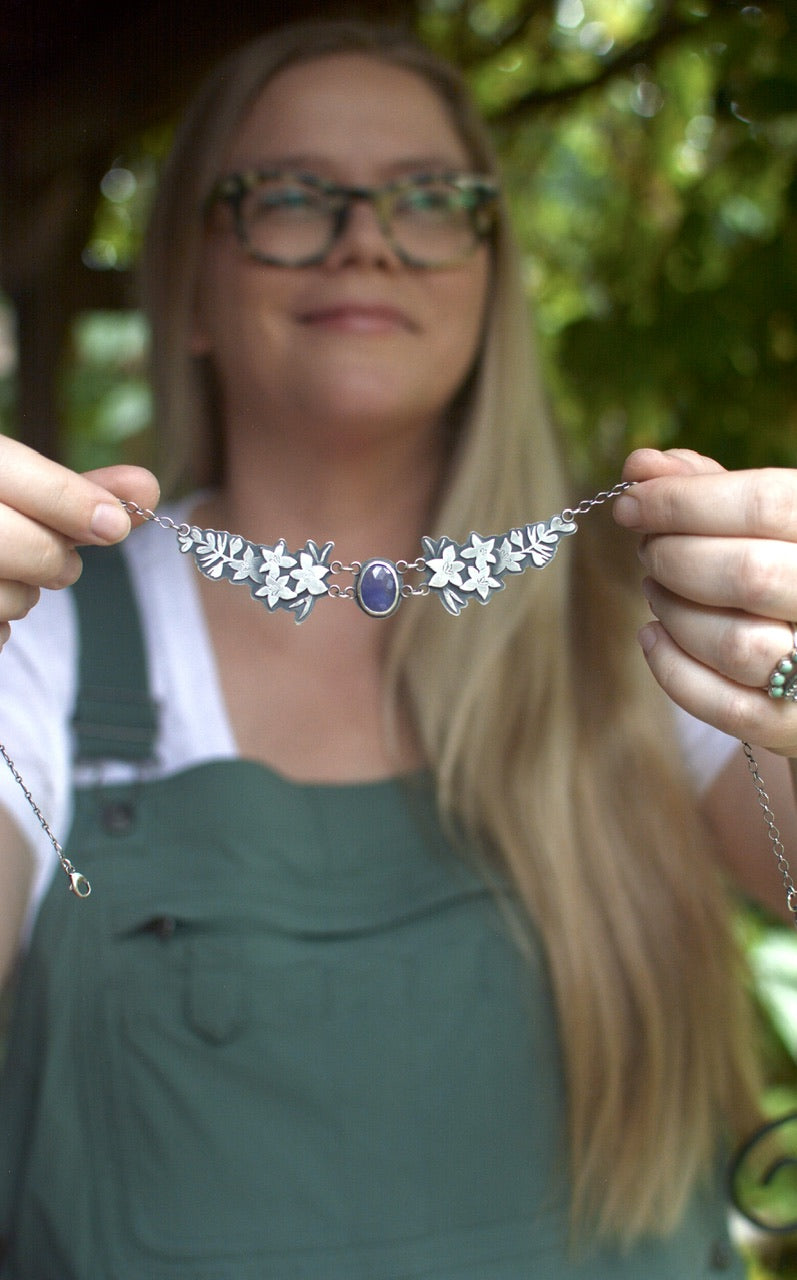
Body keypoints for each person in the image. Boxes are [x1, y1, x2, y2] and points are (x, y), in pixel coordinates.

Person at [0, 18, 794, 1278]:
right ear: (192, 280)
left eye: (429, 197)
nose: (366, 235)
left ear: (488, 271)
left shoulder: (650, 616)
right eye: (293, 194)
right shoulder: (36, 636)